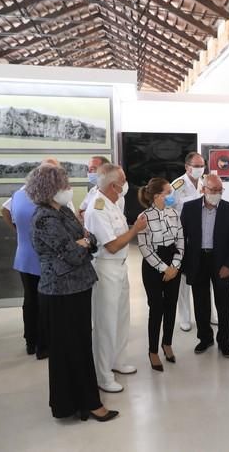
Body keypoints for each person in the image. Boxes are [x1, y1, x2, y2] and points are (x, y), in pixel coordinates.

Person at [28, 164, 118, 422]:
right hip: (60, 293)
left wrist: (84, 242)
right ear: (50, 190)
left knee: (80, 345)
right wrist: (82, 244)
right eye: (64, 186)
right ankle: (83, 403)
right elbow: (74, 253)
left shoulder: (64, 212)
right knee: (68, 349)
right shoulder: (45, 218)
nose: (69, 189)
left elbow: (90, 240)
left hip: (77, 288)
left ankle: (83, 401)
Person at [84, 164, 148, 393]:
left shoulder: (111, 202)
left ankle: (118, 361)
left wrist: (135, 228)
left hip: (120, 267)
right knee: (106, 324)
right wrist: (137, 229)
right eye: (123, 180)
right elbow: (111, 245)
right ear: (114, 185)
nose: (125, 183)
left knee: (121, 318)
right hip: (106, 268)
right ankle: (103, 375)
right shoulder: (97, 208)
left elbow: (119, 234)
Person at [180, 174, 229, 358]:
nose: (216, 193)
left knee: (224, 304)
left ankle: (224, 342)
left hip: (220, 261)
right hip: (198, 260)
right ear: (203, 189)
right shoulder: (190, 208)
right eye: (212, 190)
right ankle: (205, 338)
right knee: (201, 303)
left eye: (219, 190)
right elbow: (181, 237)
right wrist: (184, 264)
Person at [137, 178, 184, 372]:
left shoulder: (174, 213)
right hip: (153, 265)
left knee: (171, 305)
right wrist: (164, 269)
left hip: (173, 261)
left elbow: (181, 240)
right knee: (156, 308)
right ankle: (153, 350)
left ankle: (167, 343)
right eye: (168, 192)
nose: (171, 196)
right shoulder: (144, 217)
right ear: (157, 196)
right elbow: (144, 247)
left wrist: (174, 266)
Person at [170, 151, 218, 330]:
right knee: (184, 278)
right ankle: (184, 317)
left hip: (205, 237)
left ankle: (210, 313)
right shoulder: (177, 185)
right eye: (196, 166)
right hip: (184, 238)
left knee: (207, 277)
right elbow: (170, 211)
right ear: (187, 167)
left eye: (202, 165)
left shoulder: (207, 182)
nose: (200, 169)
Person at [10, 181, 48, 359]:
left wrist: (20, 233)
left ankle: (30, 342)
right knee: (42, 302)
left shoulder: (18, 194)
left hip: (24, 256)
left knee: (30, 299)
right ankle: (42, 345)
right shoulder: (44, 199)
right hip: (40, 258)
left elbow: (7, 213)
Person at [78, 156, 117, 222]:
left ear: (105, 170)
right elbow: (79, 211)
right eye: (88, 169)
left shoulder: (113, 191)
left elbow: (97, 216)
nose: (89, 172)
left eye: (93, 169)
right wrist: (84, 213)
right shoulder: (93, 190)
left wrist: (85, 213)